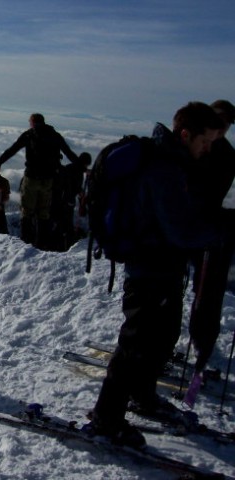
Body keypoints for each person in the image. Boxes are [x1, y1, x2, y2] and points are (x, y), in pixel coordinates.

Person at [87, 102, 223, 448]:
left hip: (164, 267)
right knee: (136, 344)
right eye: (205, 141)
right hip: (148, 268)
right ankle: (106, 418)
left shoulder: (172, 162)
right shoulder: (163, 168)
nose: (208, 149)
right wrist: (221, 233)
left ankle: (142, 395)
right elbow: (181, 230)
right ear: (185, 134)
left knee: (162, 336)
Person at [187, 99, 235, 374]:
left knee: (208, 293)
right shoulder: (197, 147)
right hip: (190, 227)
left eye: (226, 122)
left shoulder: (227, 155)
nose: (222, 126)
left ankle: (203, 342)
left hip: (210, 231)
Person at [0, 113, 81, 248]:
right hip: (48, 180)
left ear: (32, 122)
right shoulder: (55, 135)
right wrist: (82, 167)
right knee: (43, 212)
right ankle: (41, 244)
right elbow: (69, 153)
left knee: (27, 211)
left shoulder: (29, 135)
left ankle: (25, 243)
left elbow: (12, 149)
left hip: (31, 178)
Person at [49, 152, 91, 251]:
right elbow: (71, 185)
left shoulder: (71, 168)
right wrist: (79, 192)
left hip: (61, 201)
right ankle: (61, 247)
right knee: (64, 225)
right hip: (65, 202)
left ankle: (59, 245)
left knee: (61, 224)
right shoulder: (75, 171)